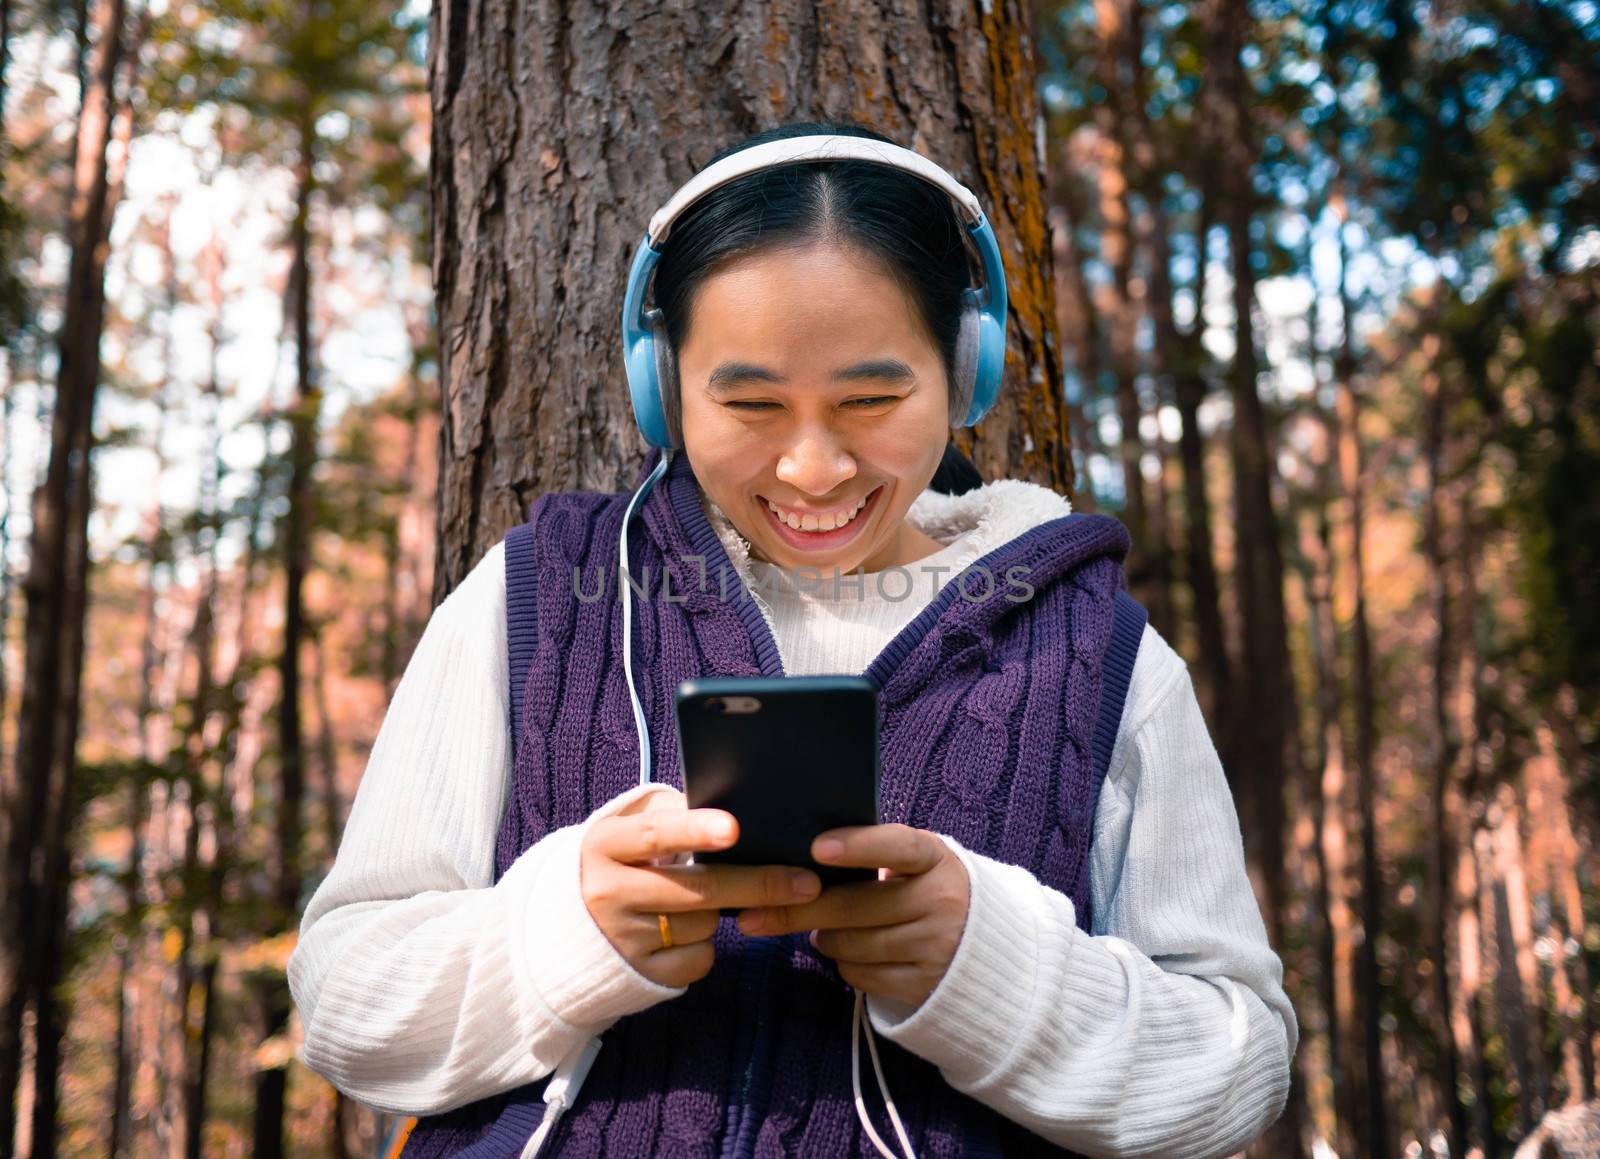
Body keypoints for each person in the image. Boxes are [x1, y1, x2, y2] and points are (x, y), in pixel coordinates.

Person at [288, 121, 1298, 1159]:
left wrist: (994, 967)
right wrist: (559, 932)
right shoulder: (538, 594)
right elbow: (348, 1003)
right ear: (662, 386)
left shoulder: (1104, 652)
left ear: (965, 367)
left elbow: (1239, 1065)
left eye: (871, 397)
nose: (813, 468)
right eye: (750, 402)